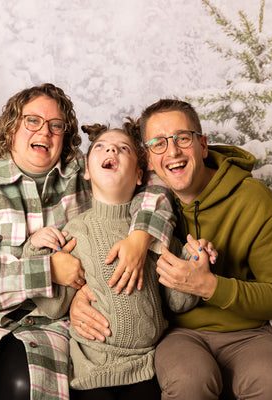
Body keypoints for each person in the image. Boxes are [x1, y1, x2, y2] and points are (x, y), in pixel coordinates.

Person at [0, 83, 175, 400]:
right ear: (12, 128)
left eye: (56, 125)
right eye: (33, 121)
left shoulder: (81, 175)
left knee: (25, 387)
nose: (46, 131)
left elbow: (155, 183)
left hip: (47, 321)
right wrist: (48, 271)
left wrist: (139, 237)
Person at [70, 99, 272, 400]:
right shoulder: (142, 199)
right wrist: (81, 294)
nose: (173, 152)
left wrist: (210, 286)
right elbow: (99, 249)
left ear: (203, 145)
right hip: (177, 334)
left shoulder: (256, 202)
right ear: (148, 160)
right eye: (158, 144)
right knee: (189, 381)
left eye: (182, 138)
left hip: (247, 335)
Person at [22, 122, 203, 400]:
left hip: (147, 365)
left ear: (140, 174)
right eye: (101, 148)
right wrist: (34, 252)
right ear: (86, 172)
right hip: (93, 370)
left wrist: (192, 261)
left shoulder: (153, 230)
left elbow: (178, 302)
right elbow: (55, 306)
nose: (112, 150)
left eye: (123, 149)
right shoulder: (74, 232)